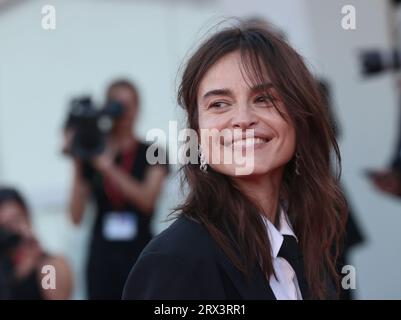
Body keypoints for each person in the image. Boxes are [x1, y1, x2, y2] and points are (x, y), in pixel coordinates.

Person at [123, 23, 348, 300]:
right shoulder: (175, 261)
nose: (243, 119)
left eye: (264, 99)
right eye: (218, 104)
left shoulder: (310, 248)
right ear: (197, 132)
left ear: (301, 118)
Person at [68, 79, 169, 299]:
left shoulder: (153, 151)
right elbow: (75, 217)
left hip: (141, 250)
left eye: (128, 104)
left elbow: (147, 201)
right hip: (102, 255)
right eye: (116, 104)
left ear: (138, 109)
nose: (122, 112)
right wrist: (78, 159)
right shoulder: (93, 153)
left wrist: (108, 167)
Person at [0, 187, 73, 300]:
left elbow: (56, 295)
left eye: (15, 219)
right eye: (4, 225)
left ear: (26, 216)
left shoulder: (47, 263)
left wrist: (37, 256)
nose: (11, 229)